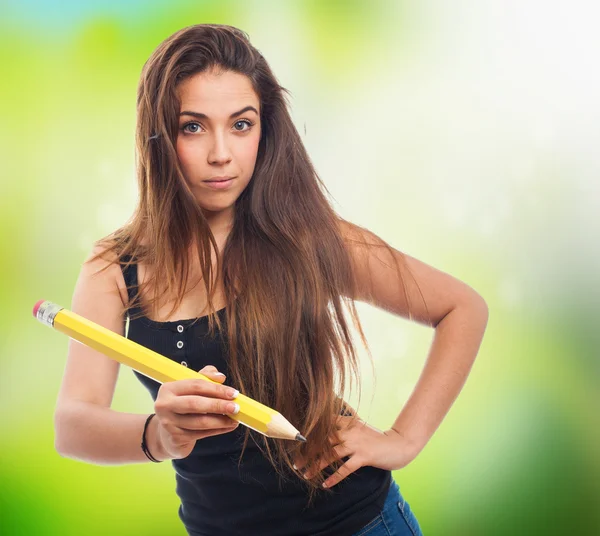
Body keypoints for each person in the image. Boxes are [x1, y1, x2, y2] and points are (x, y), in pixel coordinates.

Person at [53, 23, 488, 536]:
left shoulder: (308, 236)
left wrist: (402, 440)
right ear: (158, 136)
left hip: (361, 524)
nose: (222, 153)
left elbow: (462, 308)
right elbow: (73, 425)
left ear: (265, 128)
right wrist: (160, 435)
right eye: (193, 126)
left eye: (241, 125)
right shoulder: (114, 267)